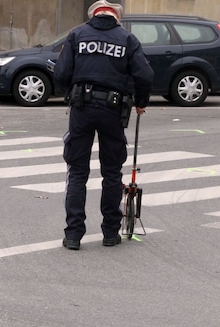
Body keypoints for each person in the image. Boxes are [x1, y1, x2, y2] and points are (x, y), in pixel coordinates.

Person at [53, 0, 154, 250]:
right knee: (111, 172)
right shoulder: (126, 39)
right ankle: (110, 232)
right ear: (116, 17)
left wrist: (73, 92)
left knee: (77, 172)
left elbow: (61, 73)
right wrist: (140, 102)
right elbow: (145, 74)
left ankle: (74, 234)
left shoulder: (77, 34)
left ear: (93, 16)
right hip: (113, 109)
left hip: (82, 109)